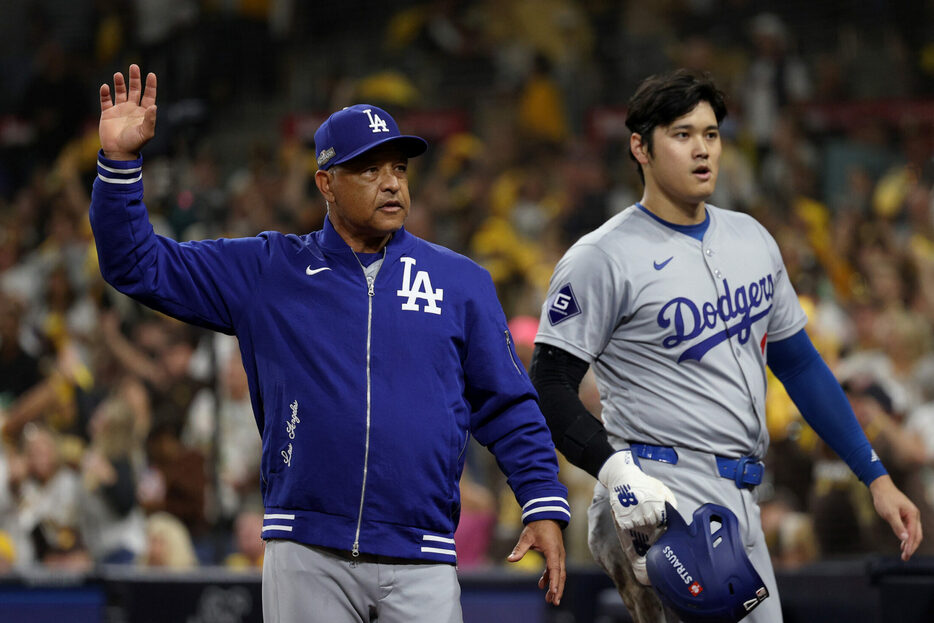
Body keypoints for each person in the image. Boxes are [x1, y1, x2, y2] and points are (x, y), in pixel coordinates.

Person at [89, 65, 568, 622]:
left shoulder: (459, 282)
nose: (391, 182)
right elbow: (137, 264)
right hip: (305, 547)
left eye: (399, 168)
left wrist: (540, 500)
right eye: (368, 169)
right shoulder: (270, 270)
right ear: (326, 183)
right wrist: (120, 165)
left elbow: (506, 404)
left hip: (423, 552)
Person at [529, 69, 922, 623]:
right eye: (682, 134)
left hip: (740, 497)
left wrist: (874, 473)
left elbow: (800, 363)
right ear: (640, 147)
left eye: (711, 134)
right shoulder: (603, 255)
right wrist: (614, 471)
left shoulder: (751, 238)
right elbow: (549, 382)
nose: (702, 149)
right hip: (657, 491)